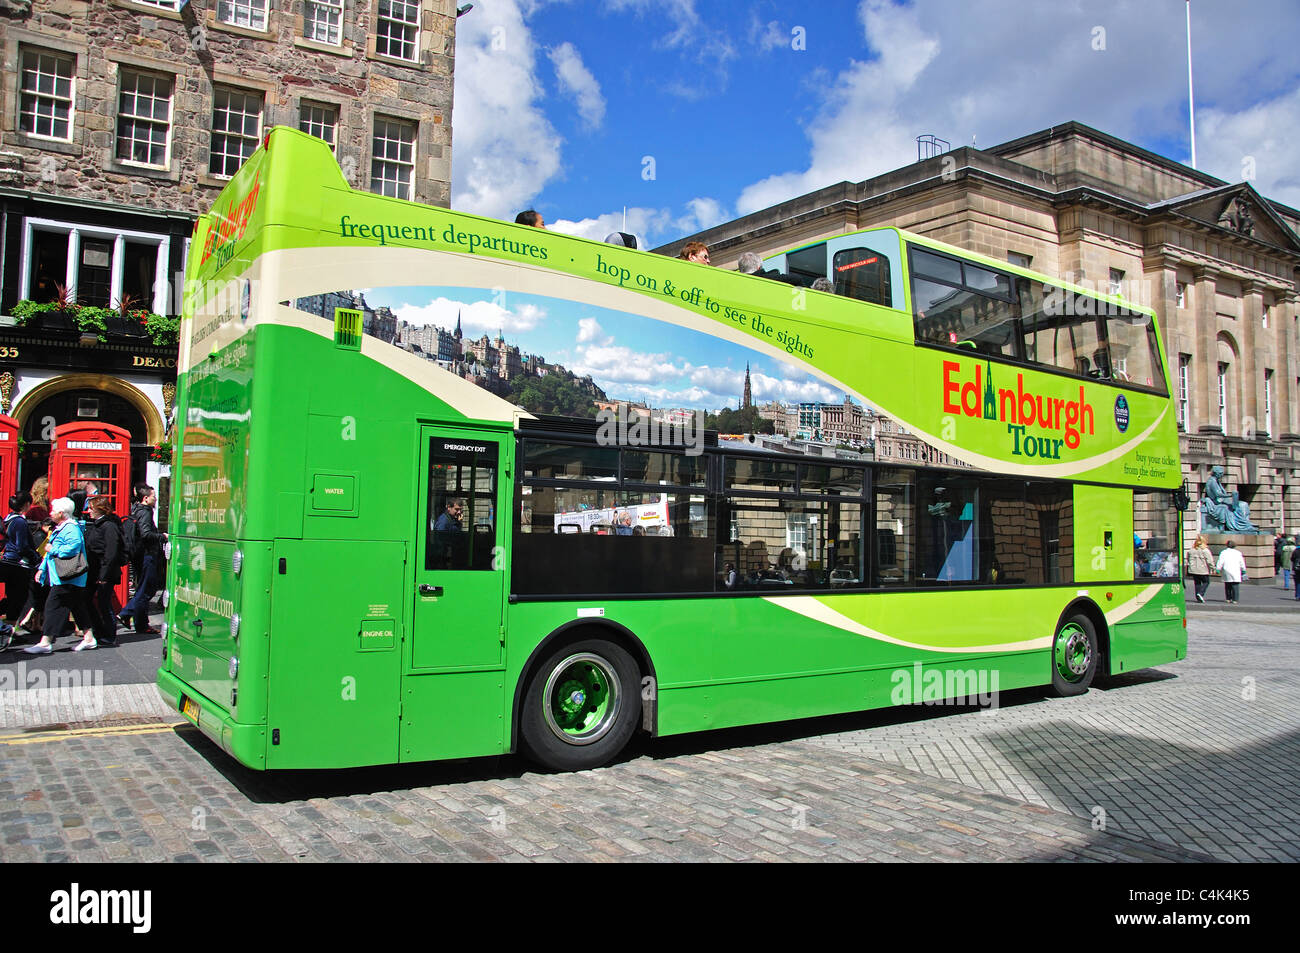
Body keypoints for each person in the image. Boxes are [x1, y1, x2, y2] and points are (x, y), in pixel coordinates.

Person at [22, 497, 94, 653]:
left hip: (68, 576)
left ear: (62, 513)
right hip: (64, 576)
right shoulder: (62, 527)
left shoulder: (70, 528)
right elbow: (49, 554)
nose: (51, 513)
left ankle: (45, 642)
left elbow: (72, 549)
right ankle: (89, 638)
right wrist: (42, 569)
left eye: (53, 511)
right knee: (77, 607)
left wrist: (52, 549)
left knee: (52, 606)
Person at [118, 483, 164, 636]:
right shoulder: (145, 512)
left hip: (139, 554)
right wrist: (162, 536)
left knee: (142, 589)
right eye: (153, 496)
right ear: (145, 498)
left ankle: (141, 624)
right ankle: (125, 612)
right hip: (146, 555)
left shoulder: (136, 509)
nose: (156, 499)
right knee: (148, 589)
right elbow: (146, 534)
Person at [83, 496, 126, 648]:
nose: (88, 511)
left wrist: (104, 575)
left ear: (99, 509)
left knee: (104, 602)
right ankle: (99, 630)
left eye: (90, 508)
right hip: (94, 570)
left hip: (105, 571)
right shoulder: (97, 525)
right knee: (87, 599)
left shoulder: (109, 526)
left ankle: (110, 634)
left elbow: (111, 553)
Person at [0, 492, 38, 649]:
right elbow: (22, 546)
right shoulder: (20, 523)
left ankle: (10, 631)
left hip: (7, 562)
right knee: (17, 600)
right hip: (19, 565)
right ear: (27, 505)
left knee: (12, 599)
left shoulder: (8, 518)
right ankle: (8, 630)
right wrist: (36, 557)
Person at [1215, 539, 1246, 605]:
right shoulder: (1238, 553)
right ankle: (1235, 599)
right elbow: (1241, 562)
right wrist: (1243, 570)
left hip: (1226, 570)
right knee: (1235, 585)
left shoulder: (1223, 552)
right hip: (1235, 570)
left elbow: (1220, 561)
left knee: (1227, 584)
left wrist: (1218, 569)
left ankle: (1228, 598)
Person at [1186, 534, 1215, 604]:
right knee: (1206, 582)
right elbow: (1210, 561)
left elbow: (1188, 559)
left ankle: (1198, 597)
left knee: (1197, 583)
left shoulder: (1191, 550)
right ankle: (1201, 593)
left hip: (1193, 570)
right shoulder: (1205, 550)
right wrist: (1213, 568)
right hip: (1203, 570)